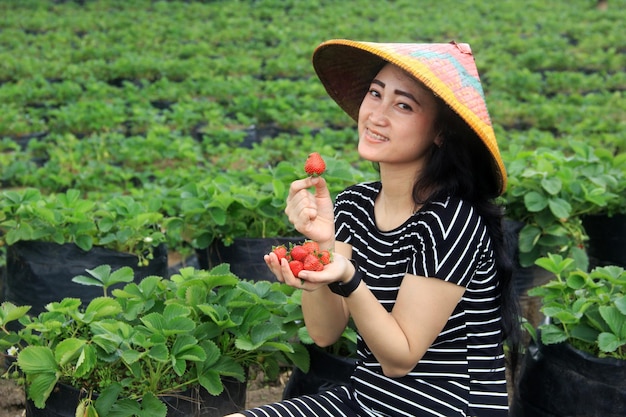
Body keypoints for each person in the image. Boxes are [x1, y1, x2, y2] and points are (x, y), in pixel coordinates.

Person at [226, 39, 521, 417]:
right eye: (374, 94)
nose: (377, 115)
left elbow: (400, 357)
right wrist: (320, 248)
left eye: (403, 105)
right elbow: (324, 332)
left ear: (441, 132)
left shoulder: (450, 222)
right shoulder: (354, 205)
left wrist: (347, 275)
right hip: (366, 400)